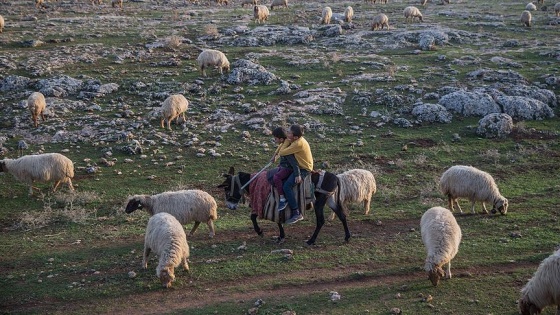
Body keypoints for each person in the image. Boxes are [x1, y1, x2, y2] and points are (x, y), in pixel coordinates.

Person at [277, 124, 313, 224]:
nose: (287, 134)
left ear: (295, 137)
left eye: (289, 133)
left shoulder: (297, 144)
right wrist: (288, 139)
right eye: (288, 131)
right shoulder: (295, 140)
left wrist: (287, 140)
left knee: (287, 186)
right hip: (300, 165)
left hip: (303, 168)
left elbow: (282, 152)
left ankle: (296, 212)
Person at [269, 127, 299, 212]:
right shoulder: (284, 143)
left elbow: (292, 162)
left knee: (276, 177)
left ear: (281, 139)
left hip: (288, 168)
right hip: (284, 166)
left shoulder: (287, 148)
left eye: (275, 138)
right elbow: (279, 148)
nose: (274, 140)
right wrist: (275, 156)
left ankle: (282, 198)